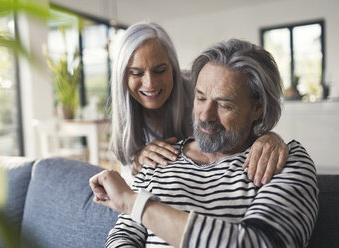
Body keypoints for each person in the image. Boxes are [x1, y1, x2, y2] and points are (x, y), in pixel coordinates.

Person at [90, 39, 319, 247]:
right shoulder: (160, 157)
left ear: (258, 107)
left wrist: (135, 204)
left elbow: (261, 243)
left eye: (224, 104)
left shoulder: (283, 161)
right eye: (200, 98)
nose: (205, 116)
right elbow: (124, 236)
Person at [109, 21, 288, 187]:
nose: (150, 84)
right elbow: (131, 181)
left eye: (160, 70)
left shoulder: (196, 86)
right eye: (136, 73)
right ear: (123, 77)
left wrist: (268, 136)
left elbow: (241, 128)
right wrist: (138, 161)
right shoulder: (125, 106)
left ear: (173, 67)